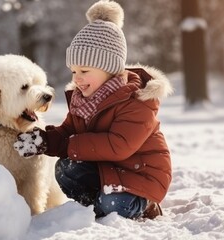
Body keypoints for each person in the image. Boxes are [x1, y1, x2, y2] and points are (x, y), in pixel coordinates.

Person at [13, 0, 173, 220]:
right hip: (109, 170)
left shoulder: (136, 101)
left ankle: (143, 205)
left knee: (113, 202)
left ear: (110, 68)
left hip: (140, 176)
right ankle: (98, 208)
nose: (77, 78)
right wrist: (47, 140)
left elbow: (118, 146)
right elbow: (68, 131)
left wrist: (65, 145)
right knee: (65, 169)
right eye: (73, 71)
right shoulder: (84, 100)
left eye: (85, 70)